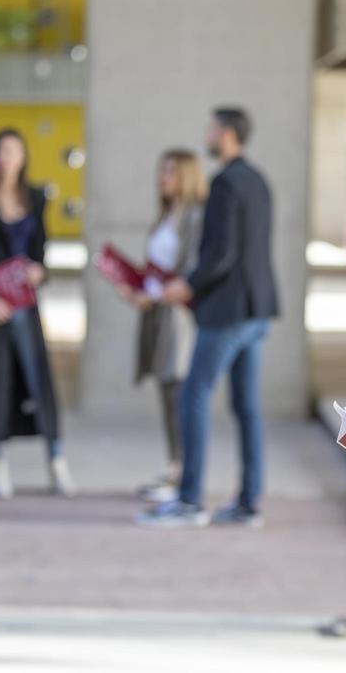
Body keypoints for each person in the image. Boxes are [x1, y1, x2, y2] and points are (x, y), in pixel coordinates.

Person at [137, 107, 279, 528]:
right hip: (257, 310)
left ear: (228, 134)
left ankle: (189, 501)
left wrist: (188, 285)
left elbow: (221, 253)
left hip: (227, 312)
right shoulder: (258, 181)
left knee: (192, 397)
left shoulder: (224, 183)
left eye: (213, 129)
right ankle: (248, 503)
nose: (208, 135)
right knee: (246, 407)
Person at [0, 128, 74, 499]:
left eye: (13, 151)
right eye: (1, 151)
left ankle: (56, 460)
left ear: (23, 157)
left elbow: (40, 250)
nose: (6, 158)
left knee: (38, 381)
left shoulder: (36, 198)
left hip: (25, 303)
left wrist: (40, 272)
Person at [116, 149, 206, 502]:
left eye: (170, 172)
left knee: (179, 390)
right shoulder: (167, 216)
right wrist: (135, 286)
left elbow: (191, 270)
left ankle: (185, 476)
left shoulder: (195, 217)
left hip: (179, 316)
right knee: (167, 391)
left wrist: (152, 294)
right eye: (161, 171)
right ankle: (175, 468)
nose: (162, 178)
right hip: (157, 311)